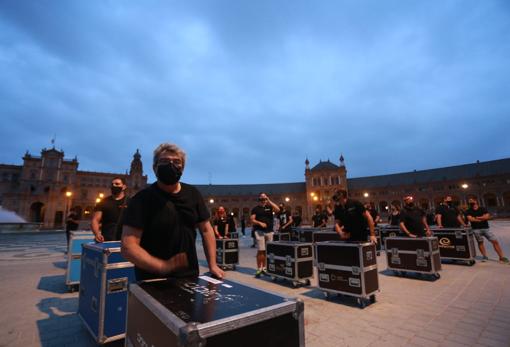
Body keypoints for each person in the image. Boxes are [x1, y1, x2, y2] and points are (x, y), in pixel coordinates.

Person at [121, 143, 224, 281]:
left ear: (183, 168)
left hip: (189, 275)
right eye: (164, 161)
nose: (171, 165)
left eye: (177, 162)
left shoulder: (193, 194)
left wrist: (212, 264)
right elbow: (128, 246)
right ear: (154, 167)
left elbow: (206, 230)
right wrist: (161, 266)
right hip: (151, 279)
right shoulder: (140, 199)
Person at [465, 197, 509, 263]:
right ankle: (484, 256)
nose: (471, 202)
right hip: (476, 229)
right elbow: (470, 219)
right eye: (469, 201)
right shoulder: (468, 211)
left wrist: (477, 218)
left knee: (495, 241)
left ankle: (501, 257)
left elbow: (487, 217)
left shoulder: (482, 208)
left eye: (472, 200)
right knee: (480, 243)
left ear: (476, 201)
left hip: (486, 228)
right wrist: (482, 218)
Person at [251, 193, 280, 277]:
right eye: (262, 199)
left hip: (269, 231)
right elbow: (252, 219)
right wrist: (260, 223)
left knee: (267, 251)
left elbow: (278, 210)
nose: (263, 200)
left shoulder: (269, 207)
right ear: (259, 199)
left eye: (265, 198)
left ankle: (264, 268)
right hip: (259, 231)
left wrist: (269, 200)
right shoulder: (255, 209)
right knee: (261, 250)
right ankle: (259, 269)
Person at [91, 177, 129, 242]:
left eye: (117, 184)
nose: (114, 185)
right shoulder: (103, 202)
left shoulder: (131, 202)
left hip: (125, 240)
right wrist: (97, 234)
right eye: (112, 184)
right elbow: (95, 220)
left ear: (124, 187)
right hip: (106, 239)